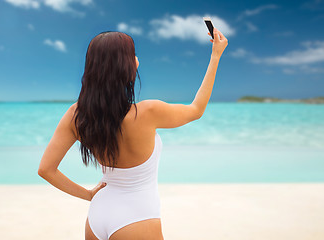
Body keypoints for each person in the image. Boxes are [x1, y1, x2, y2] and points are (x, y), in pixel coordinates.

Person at [38, 27, 228, 240]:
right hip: (136, 218)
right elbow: (196, 110)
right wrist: (215, 56)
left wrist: (89, 195)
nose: (136, 58)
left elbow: (46, 169)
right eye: (132, 55)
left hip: (98, 215)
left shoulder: (76, 114)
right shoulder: (148, 112)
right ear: (125, 66)